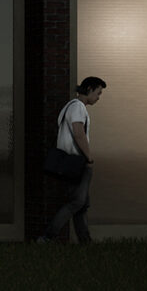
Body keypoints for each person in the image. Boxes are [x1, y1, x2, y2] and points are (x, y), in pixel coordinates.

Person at [40, 76, 107, 244]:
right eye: (98, 93)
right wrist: (89, 158)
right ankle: (47, 237)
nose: (99, 97)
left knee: (81, 204)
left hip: (70, 162)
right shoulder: (78, 107)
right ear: (89, 89)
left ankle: (85, 241)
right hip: (77, 162)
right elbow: (78, 132)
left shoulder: (69, 107)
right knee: (77, 202)